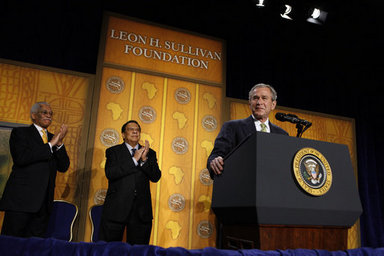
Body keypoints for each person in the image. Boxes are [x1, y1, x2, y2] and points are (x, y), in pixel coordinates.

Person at [0, 102, 70, 238]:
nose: (49, 116)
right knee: (11, 243)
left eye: (51, 114)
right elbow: (21, 158)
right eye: (44, 112)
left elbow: (63, 166)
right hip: (20, 202)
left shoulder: (54, 138)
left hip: (43, 205)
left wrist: (60, 143)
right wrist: (50, 145)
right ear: (33, 115)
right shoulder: (20, 133)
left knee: (35, 247)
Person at [99, 120, 161, 245]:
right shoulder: (113, 151)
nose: (135, 131)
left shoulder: (150, 153)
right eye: (131, 129)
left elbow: (155, 177)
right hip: (116, 210)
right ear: (123, 134)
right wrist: (134, 160)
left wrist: (144, 161)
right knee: (109, 250)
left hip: (141, 212)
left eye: (137, 129)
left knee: (138, 251)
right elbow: (111, 173)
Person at [207, 83, 288, 178]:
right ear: (250, 103)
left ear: (273, 104)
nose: (259, 102)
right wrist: (215, 161)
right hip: (242, 184)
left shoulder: (282, 135)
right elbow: (216, 155)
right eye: (255, 98)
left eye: (264, 98)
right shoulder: (232, 127)